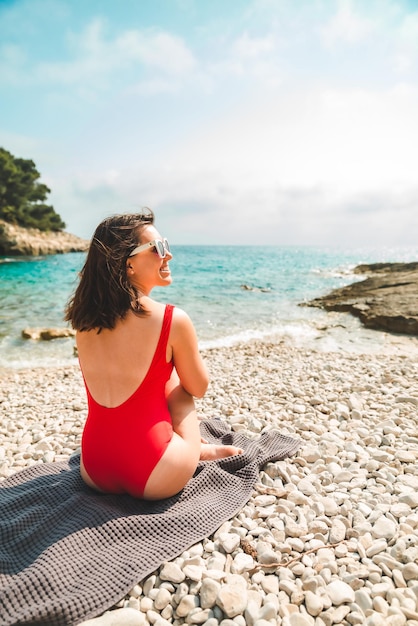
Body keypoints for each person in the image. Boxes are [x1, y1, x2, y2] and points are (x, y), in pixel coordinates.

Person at [65, 210, 242, 500]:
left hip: (94, 467)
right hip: (157, 471)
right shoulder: (173, 319)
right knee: (176, 383)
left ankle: (193, 449)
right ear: (129, 264)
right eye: (159, 248)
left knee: (155, 373)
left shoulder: (84, 322)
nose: (168, 255)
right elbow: (198, 388)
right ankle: (195, 449)